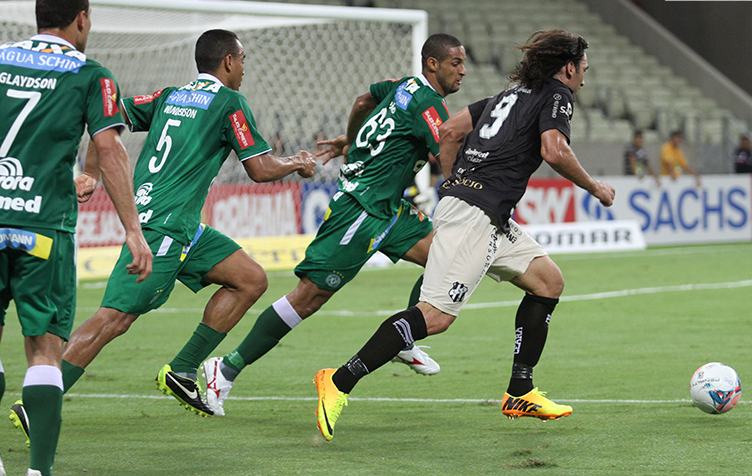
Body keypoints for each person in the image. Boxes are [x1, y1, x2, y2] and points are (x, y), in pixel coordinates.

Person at [313, 29, 615, 441]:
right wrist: (596, 188)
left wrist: (455, 180)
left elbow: (450, 131)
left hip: (486, 213)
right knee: (435, 318)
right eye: (583, 69)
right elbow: (554, 150)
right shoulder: (557, 95)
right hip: (475, 215)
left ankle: (520, 391)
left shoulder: (509, 95)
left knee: (548, 282)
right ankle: (338, 381)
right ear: (568, 68)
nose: (583, 77)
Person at [9, 29, 316, 431]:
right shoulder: (230, 103)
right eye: (242, 60)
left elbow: (106, 118)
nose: (243, 68)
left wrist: (90, 174)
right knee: (112, 320)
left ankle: (183, 369)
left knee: (250, 279)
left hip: (184, 227)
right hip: (162, 230)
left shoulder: (169, 96)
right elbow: (259, 168)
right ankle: (37, 404)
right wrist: (297, 162)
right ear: (228, 61)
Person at [201, 33, 466, 416]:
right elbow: (448, 151)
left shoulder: (402, 86)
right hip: (359, 210)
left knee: (448, 256)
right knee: (308, 297)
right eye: (456, 63)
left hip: (388, 208)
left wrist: (353, 141)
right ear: (433, 64)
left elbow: (362, 101)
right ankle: (224, 369)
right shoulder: (430, 105)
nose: (463, 71)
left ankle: (405, 339)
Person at [0, 0, 152, 476]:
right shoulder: (92, 76)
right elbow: (108, 149)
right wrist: (132, 230)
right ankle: (37, 472)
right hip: (43, 227)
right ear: (82, 18)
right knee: (45, 352)